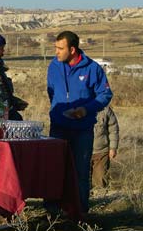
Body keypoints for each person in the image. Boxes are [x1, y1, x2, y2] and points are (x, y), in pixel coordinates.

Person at [47, 30, 113, 215]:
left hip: (82, 130)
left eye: (60, 48)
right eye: (56, 48)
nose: (56, 52)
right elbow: (51, 91)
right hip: (58, 128)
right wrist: (58, 111)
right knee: (55, 170)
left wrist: (86, 109)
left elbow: (105, 94)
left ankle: (80, 212)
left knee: (81, 172)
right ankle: (52, 211)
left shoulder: (92, 68)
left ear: (73, 49)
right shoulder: (54, 66)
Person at [91, 105, 119, 190]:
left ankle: (100, 200)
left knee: (100, 179)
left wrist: (113, 148)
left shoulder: (105, 108)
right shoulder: (79, 104)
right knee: (82, 180)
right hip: (82, 152)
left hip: (102, 152)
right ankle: (86, 201)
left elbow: (113, 129)